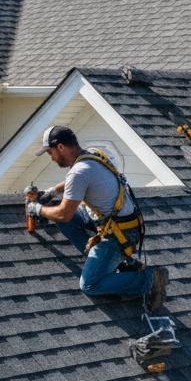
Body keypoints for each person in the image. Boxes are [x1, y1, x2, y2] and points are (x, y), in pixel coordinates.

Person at [26, 125, 168, 311]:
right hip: (116, 220)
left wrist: (37, 209)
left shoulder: (79, 172)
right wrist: (51, 192)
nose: (51, 158)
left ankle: (150, 280)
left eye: (50, 152)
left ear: (60, 147)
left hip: (119, 233)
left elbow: (64, 213)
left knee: (89, 284)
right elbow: (75, 182)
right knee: (61, 216)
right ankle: (109, 262)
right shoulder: (92, 154)